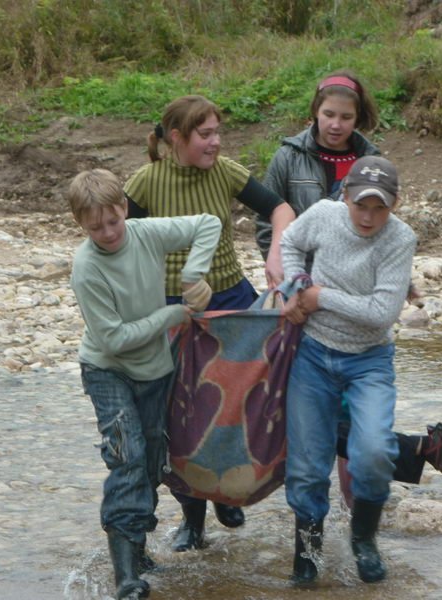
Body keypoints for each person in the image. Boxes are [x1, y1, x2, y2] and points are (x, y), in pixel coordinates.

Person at [257, 70, 442, 500]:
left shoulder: (370, 159)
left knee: (322, 408)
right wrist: (287, 278)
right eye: (328, 114)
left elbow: (382, 233)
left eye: (346, 117)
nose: (336, 124)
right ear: (314, 113)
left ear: (359, 119)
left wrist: (397, 278)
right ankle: (420, 451)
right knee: (293, 404)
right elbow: (270, 222)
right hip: (299, 291)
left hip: (345, 298)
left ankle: (360, 507)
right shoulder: (287, 157)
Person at [122, 94, 296, 553]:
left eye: (219, 132)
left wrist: (276, 252)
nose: (216, 142)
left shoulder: (226, 171)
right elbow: (118, 243)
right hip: (172, 310)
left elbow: (280, 209)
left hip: (232, 301)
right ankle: (193, 521)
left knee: (239, 404)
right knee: (183, 416)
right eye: (206, 134)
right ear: (177, 138)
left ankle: (228, 491)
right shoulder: (146, 181)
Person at [68, 168, 222, 600]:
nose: (108, 232)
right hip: (107, 369)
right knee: (127, 454)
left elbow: (208, 222)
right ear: (81, 224)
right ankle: (126, 578)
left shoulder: (146, 232)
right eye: (95, 227)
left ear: (123, 208)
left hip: (155, 368)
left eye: (113, 220)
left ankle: (137, 549)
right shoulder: (86, 267)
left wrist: (193, 275)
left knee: (154, 458)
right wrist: (174, 314)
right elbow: (114, 339)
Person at [280, 156, 422, 585]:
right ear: (344, 197)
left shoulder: (400, 239)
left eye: (379, 207)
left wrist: (320, 295)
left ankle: (364, 538)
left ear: (395, 205)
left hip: (369, 361)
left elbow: (382, 313)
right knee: (306, 466)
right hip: (313, 356)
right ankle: (308, 552)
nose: (368, 216)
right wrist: (298, 282)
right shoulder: (323, 216)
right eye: (361, 204)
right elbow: (288, 241)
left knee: (375, 452)